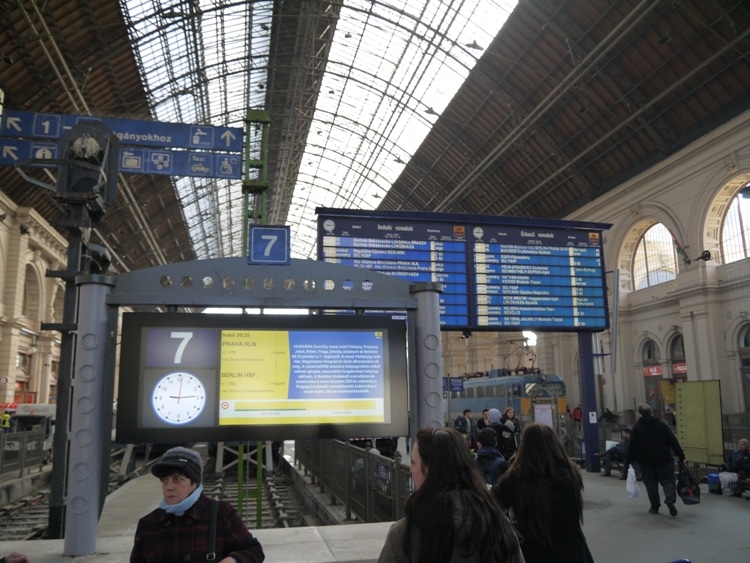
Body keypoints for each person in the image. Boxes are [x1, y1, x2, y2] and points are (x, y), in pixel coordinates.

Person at [378, 427, 524, 563]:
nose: (411, 470)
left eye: (413, 463)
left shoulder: (405, 534)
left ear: (429, 470)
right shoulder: (499, 525)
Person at [130, 446, 264, 563]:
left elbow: (254, 550)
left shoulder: (220, 514)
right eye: (165, 480)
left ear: (194, 482)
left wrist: (234, 560)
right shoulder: (148, 525)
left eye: (177, 479)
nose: (169, 487)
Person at [492, 423, 593, 563]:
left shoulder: (516, 478)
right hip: (573, 551)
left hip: (534, 552)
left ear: (524, 447)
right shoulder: (571, 475)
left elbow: (493, 502)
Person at [624, 403, 685, 517]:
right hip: (664, 459)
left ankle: (654, 507)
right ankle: (670, 498)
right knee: (668, 480)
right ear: (651, 412)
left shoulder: (637, 427)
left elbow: (631, 446)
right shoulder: (661, 425)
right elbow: (673, 440)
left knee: (651, 484)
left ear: (640, 414)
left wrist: (628, 462)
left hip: (645, 462)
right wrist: (681, 455)